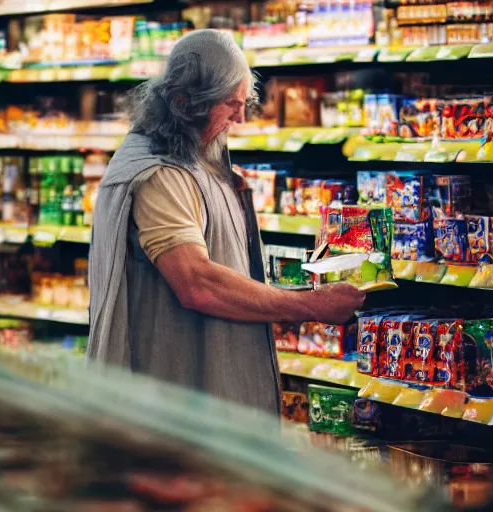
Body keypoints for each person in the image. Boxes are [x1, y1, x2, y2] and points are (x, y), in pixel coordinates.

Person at [86, 29, 365, 414]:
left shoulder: (196, 158)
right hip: (169, 405)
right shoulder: (160, 175)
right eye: (230, 104)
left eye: (244, 101)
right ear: (185, 104)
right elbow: (198, 284)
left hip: (199, 397)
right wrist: (312, 306)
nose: (241, 116)